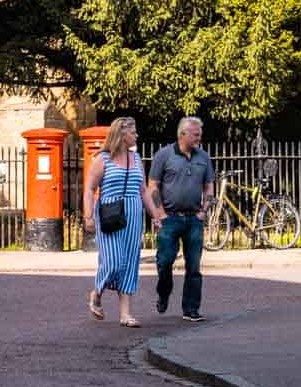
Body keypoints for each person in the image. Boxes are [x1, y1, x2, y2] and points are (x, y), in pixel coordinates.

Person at [83, 117, 161, 326]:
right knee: (114, 261)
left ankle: (125, 314)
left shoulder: (136, 159)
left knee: (130, 262)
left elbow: (143, 191)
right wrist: (88, 216)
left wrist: (155, 215)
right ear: (122, 134)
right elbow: (90, 189)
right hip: (110, 213)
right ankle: (97, 293)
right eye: (133, 132)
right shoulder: (103, 159)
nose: (136, 136)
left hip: (133, 214)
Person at [148, 116, 215, 322]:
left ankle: (191, 309)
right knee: (165, 261)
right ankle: (164, 292)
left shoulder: (203, 157)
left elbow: (209, 186)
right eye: (196, 135)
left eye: (200, 134)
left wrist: (203, 212)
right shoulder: (164, 155)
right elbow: (153, 185)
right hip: (170, 219)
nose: (199, 138)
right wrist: (160, 214)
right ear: (183, 134)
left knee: (193, 267)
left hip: (194, 219)